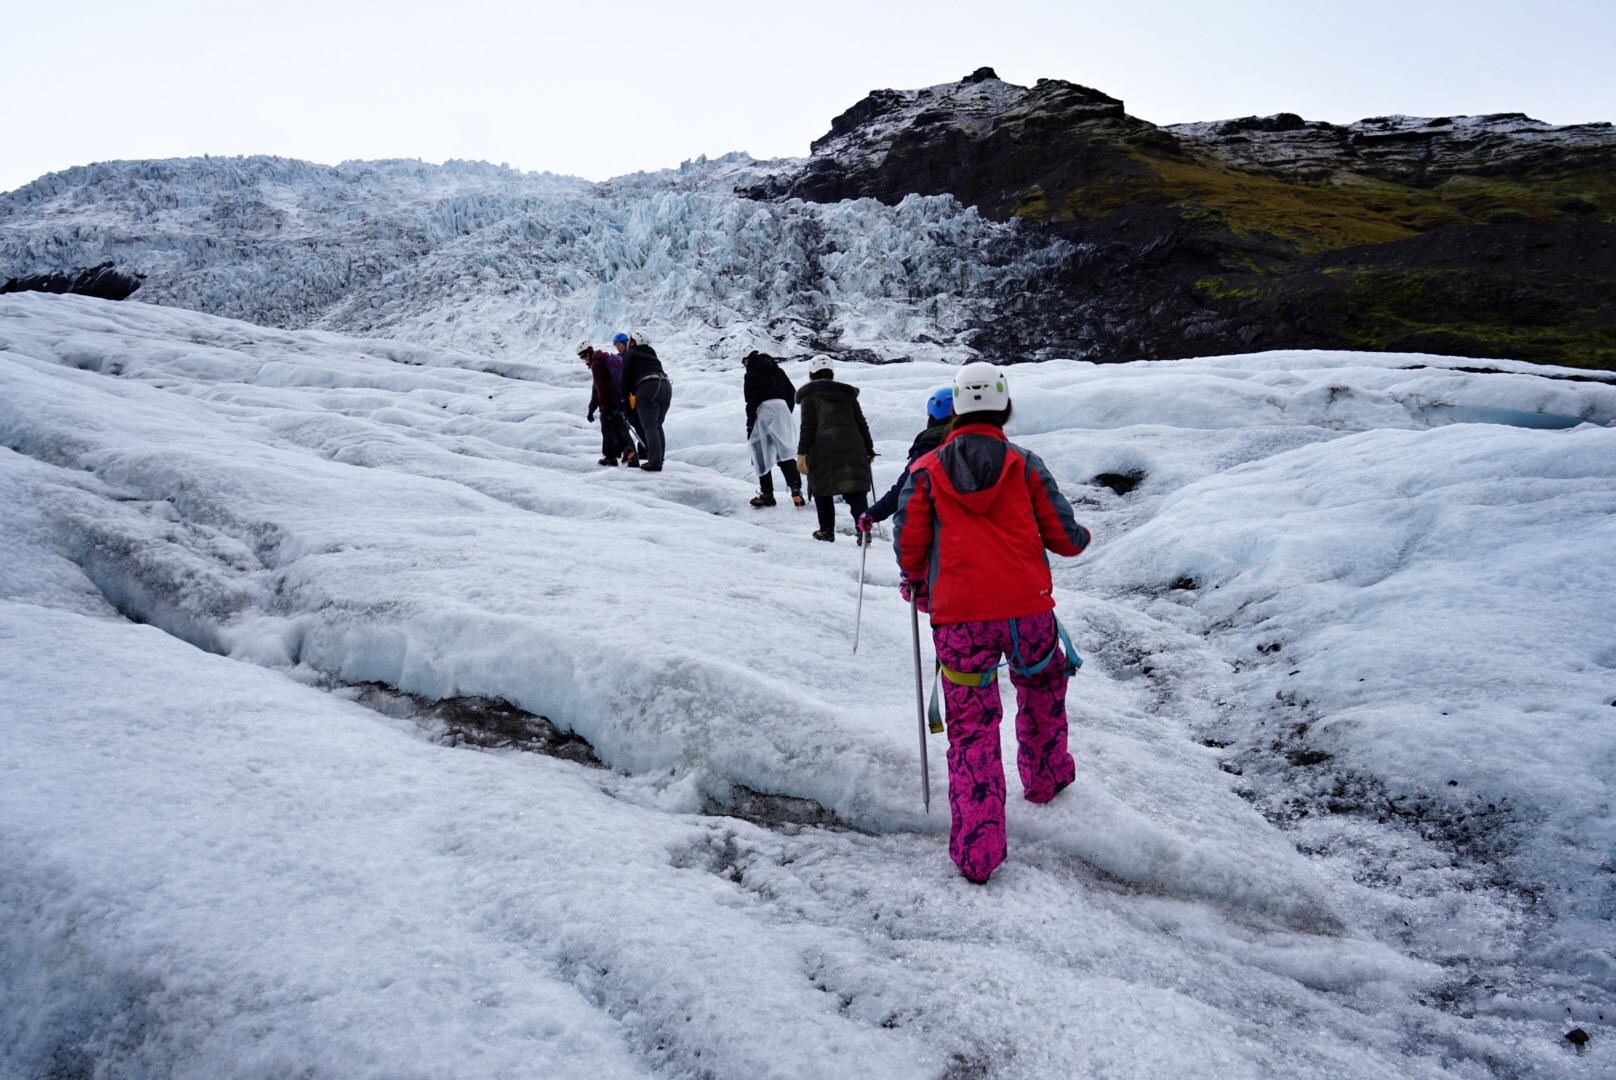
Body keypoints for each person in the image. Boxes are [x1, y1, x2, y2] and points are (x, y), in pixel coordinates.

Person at [891, 362, 1091, 884]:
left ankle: (978, 853)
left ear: (955, 409)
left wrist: (918, 583)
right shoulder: (1025, 465)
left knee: (972, 727)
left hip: (960, 620)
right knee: (1043, 688)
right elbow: (1066, 538)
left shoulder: (926, 471)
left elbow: (910, 547)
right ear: (1004, 407)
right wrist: (1083, 536)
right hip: (1028, 611)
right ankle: (1046, 779)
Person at [796, 355, 875, 542]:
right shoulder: (847, 395)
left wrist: (802, 454)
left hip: (824, 449)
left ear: (811, 375)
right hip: (853, 446)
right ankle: (863, 529)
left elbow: (807, 428)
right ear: (832, 374)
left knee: (822, 487)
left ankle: (826, 531)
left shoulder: (810, 398)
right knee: (855, 489)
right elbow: (861, 423)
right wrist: (868, 448)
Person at [855, 385, 953, 536]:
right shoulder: (984, 445)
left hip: (942, 533)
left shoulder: (928, 448)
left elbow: (905, 487)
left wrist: (873, 514)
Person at [742, 349, 804, 507]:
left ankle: (767, 494)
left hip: (764, 412)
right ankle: (795, 488)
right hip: (782, 411)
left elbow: (751, 402)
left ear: (747, 360)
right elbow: (793, 393)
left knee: (760, 451)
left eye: (743, 362)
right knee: (783, 450)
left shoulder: (750, 374)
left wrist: (750, 426)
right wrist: (785, 412)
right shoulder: (779, 371)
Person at [619, 330, 671, 472]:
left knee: (650, 426)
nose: (628, 343)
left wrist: (624, 402)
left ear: (634, 342)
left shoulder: (630, 354)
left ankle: (654, 461)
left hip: (648, 387)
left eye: (630, 340)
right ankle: (659, 458)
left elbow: (624, 381)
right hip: (665, 386)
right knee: (657, 426)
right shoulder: (651, 355)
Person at [579, 339, 636, 466]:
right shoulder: (605, 359)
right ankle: (628, 450)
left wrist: (604, 406)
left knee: (607, 429)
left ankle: (610, 458)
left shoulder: (596, 364)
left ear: (589, 352)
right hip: (619, 399)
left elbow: (600, 388)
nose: (583, 359)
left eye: (583, 355)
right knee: (617, 427)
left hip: (609, 402)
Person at [612, 333, 649, 460]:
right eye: (616, 346)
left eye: (619, 345)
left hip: (634, 396)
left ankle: (644, 449)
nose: (618, 348)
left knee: (637, 423)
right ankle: (630, 449)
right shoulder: (618, 359)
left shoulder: (632, 356)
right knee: (627, 423)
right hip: (626, 396)